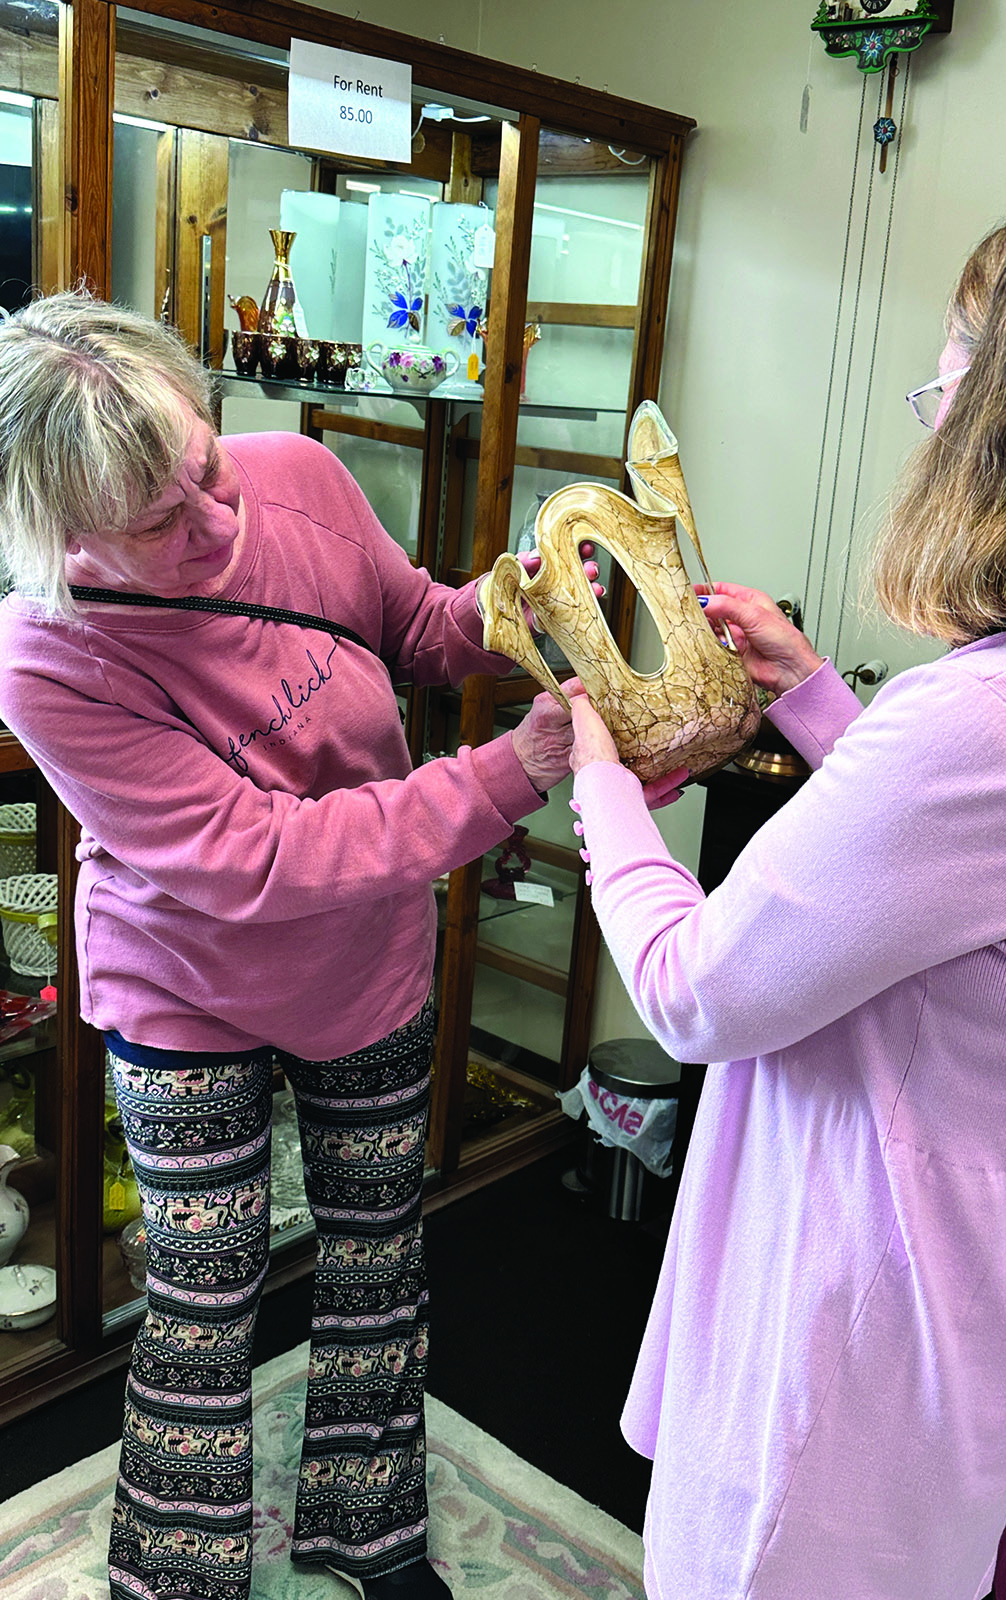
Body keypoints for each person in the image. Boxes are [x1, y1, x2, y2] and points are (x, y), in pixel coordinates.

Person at [566, 179, 1006, 1600]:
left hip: (854, 1316)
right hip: (997, 1276)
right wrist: (811, 708)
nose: (935, 399)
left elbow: (692, 992)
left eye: (955, 367)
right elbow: (998, 895)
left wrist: (597, 769)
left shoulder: (989, 729)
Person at [0, 290, 585, 1600]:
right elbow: (259, 859)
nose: (212, 517)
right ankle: (181, 1579)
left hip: (365, 960)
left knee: (382, 1257)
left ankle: (370, 1537)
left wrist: (517, 607)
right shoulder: (45, 652)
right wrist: (508, 778)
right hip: (184, 991)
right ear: (58, 531)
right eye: (157, 521)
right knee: (205, 1302)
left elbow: (419, 628)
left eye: (203, 464)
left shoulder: (295, 474)